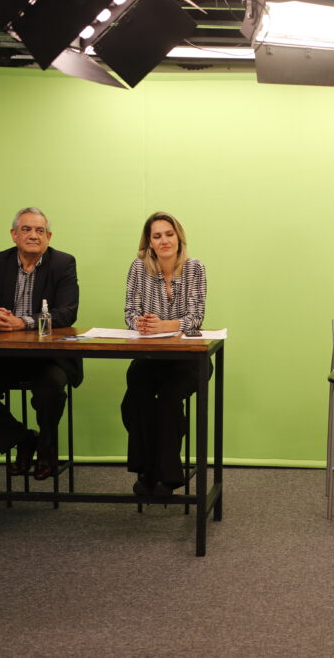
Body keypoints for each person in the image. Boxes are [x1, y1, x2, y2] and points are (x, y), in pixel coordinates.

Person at [0, 207, 81, 480]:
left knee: (50, 390)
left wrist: (22, 322)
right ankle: (24, 440)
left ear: (49, 236)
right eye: (26, 229)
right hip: (3, 355)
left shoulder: (63, 263)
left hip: (48, 357)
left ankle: (47, 448)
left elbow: (67, 313)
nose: (33, 235)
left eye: (40, 230)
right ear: (14, 234)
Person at [121, 212, 208, 497]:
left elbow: (196, 317)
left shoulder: (195, 268)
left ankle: (167, 477)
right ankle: (148, 469)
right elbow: (130, 313)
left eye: (169, 234)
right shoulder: (138, 268)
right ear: (149, 242)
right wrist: (142, 324)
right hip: (151, 357)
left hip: (188, 359)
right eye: (157, 236)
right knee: (135, 399)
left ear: (178, 237)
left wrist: (166, 325)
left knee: (169, 400)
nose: (164, 240)